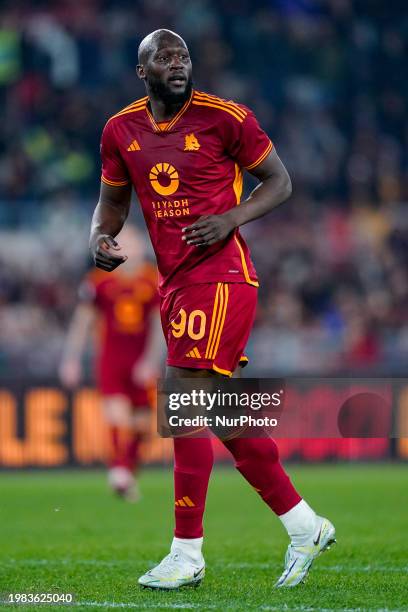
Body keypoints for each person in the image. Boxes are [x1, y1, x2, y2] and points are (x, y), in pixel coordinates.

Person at [89, 29, 335, 588]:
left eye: (183, 57)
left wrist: (231, 218)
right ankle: (303, 525)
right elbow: (110, 203)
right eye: (164, 58)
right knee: (220, 414)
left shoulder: (226, 117)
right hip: (175, 282)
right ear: (142, 71)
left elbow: (280, 182)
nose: (177, 64)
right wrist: (99, 238)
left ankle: (187, 551)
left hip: (222, 276)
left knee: (182, 400)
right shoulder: (120, 130)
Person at [60, 225, 163, 501]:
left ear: (142, 247)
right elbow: (83, 322)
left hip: (141, 361)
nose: (127, 248)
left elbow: (159, 326)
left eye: (132, 242)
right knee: (117, 416)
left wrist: (150, 361)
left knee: (143, 427)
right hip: (111, 359)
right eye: (121, 243)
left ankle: (126, 473)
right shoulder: (98, 281)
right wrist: (71, 359)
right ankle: (118, 471)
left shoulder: (152, 280)